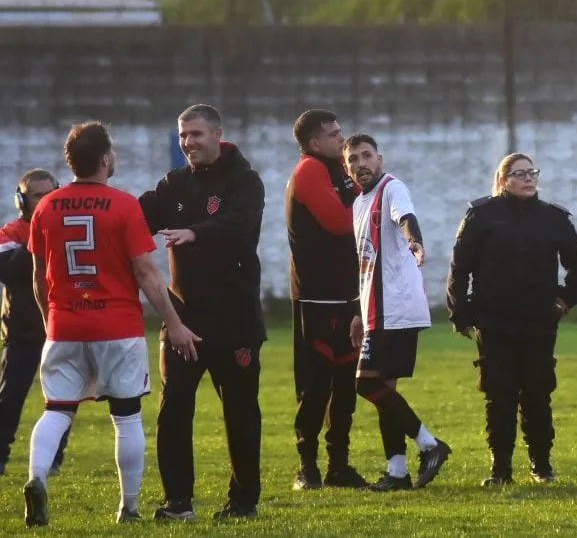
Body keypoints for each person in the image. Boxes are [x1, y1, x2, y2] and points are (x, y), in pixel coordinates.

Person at [23, 122, 200, 527]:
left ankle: (36, 478)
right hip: (116, 326)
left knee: (56, 410)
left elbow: (38, 275)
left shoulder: (46, 207)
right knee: (126, 415)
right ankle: (129, 507)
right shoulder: (123, 206)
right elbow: (147, 274)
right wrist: (173, 323)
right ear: (105, 159)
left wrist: (49, 320)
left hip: (64, 326)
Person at [140, 104, 267, 520]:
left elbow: (241, 224)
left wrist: (195, 232)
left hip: (235, 321)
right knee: (173, 406)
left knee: (240, 412)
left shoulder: (245, 181)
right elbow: (135, 217)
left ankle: (243, 501)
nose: (188, 142)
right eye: (182, 136)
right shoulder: (174, 185)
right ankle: (178, 502)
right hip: (183, 322)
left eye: (195, 134)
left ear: (217, 134)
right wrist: (94, 204)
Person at [447, 153, 577, 486]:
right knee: (500, 395)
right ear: (502, 180)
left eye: (532, 172)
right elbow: (460, 267)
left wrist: (565, 300)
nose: (529, 179)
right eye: (519, 174)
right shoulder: (482, 215)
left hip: (539, 321)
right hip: (494, 322)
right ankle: (500, 469)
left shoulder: (552, 218)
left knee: (538, 393)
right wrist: (461, 312)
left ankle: (542, 465)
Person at [344, 134, 451, 492]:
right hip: (376, 310)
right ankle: (397, 471)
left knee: (365, 383)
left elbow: (405, 217)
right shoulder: (359, 203)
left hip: (396, 307)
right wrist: (359, 312)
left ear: (380, 158)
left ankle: (430, 445)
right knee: (383, 389)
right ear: (347, 167)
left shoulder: (393, 188)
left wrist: (414, 240)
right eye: (353, 158)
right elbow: (366, 262)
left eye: (367, 155)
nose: (361, 163)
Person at [286, 110, 367, 491]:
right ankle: (307, 465)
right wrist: (370, 205)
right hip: (316, 299)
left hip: (349, 294)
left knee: (346, 385)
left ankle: (339, 464)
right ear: (314, 143)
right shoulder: (309, 171)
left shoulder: (341, 170)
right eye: (333, 134)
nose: (341, 138)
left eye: (341, 130)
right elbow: (339, 222)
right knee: (315, 385)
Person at [0, 170, 70, 477]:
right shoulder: (13, 231)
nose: (44, 200)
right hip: (22, 332)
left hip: (61, 327)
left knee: (64, 398)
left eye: (49, 193)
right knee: (10, 396)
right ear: (22, 202)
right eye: (36, 195)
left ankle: (54, 457)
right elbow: (8, 270)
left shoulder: (70, 228)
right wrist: (40, 238)